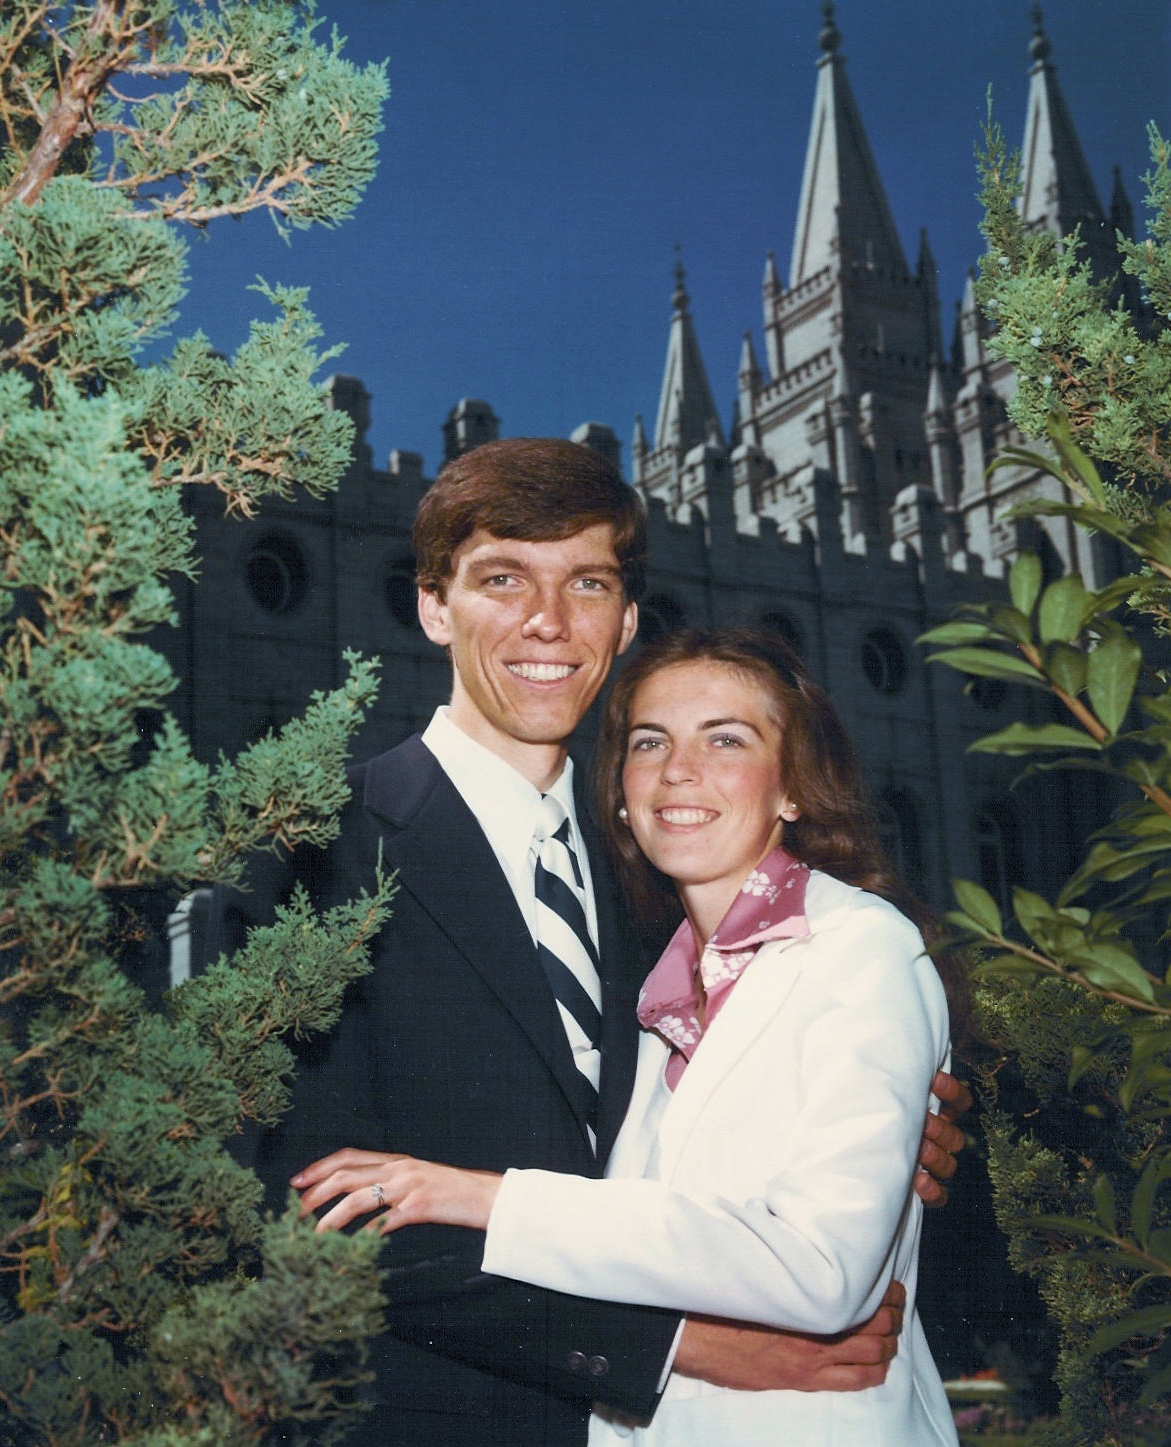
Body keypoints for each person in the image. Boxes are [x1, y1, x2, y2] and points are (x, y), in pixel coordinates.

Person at [234, 439, 968, 1446]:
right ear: (432, 607)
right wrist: (671, 1345)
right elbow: (307, 1204)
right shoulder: (319, 851)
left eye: (585, 582)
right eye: (502, 579)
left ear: (624, 622)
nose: (547, 622)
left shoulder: (664, 884)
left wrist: (891, 1129)